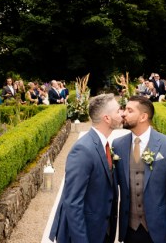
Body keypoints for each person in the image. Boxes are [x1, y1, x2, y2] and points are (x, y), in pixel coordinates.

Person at [49, 94, 122, 243]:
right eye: (118, 111)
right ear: (106, 118)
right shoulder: (83, 149)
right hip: (85, 233)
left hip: (101, 229)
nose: (122, 113)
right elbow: (73, 202)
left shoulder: (104, 145)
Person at [114, 96, 166, 243]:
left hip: (159, 230)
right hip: (129, 229)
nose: (123, 114)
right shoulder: (118, 145)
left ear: (143, 117)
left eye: (129, 110)